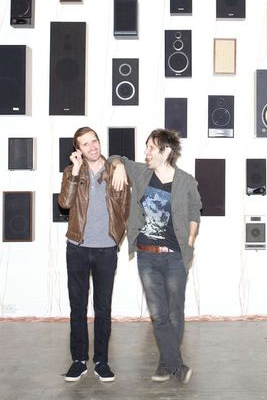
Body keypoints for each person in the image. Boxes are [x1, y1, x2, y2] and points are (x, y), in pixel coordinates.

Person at [111, 128, 202, 384]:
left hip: (175, 257)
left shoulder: (185, 181)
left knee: (175, 313)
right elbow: (115, 157)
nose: (146, 152)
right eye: (147, 147)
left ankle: (166, 364)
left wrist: (191, 240)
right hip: (147, 256)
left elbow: (195, 210)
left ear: (167, 152)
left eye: (151, 148)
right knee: (158, 314)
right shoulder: (141, 173)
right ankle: (177, 366)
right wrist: (118, 165)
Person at [58, 126, 130, 383]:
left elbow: (125, 206)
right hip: (77, 247)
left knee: (103, 308)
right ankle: (78, 361)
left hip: (106, 249)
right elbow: (65, 203)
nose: (92, 147)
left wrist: (119, 161)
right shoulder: (71, 172)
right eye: (85, 144)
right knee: (77, 308)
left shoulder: (115, 170)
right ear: (78, 150)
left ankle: (101, 360)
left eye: (94, 141)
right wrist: (76, 170)